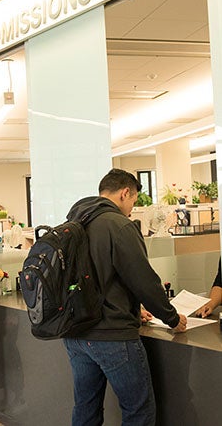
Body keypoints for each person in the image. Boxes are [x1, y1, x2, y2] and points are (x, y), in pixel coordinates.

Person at [64, 169, 187, 426]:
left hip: (75, 332)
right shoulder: (119, 225)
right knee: (138, 411)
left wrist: (133, 307)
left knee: (86, 408)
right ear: (125, 193)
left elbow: (97, 278)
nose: (132, 209)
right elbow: (143, 280)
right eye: (132, 202)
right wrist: (172, 318)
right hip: (112, 335)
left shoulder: (73, 223)